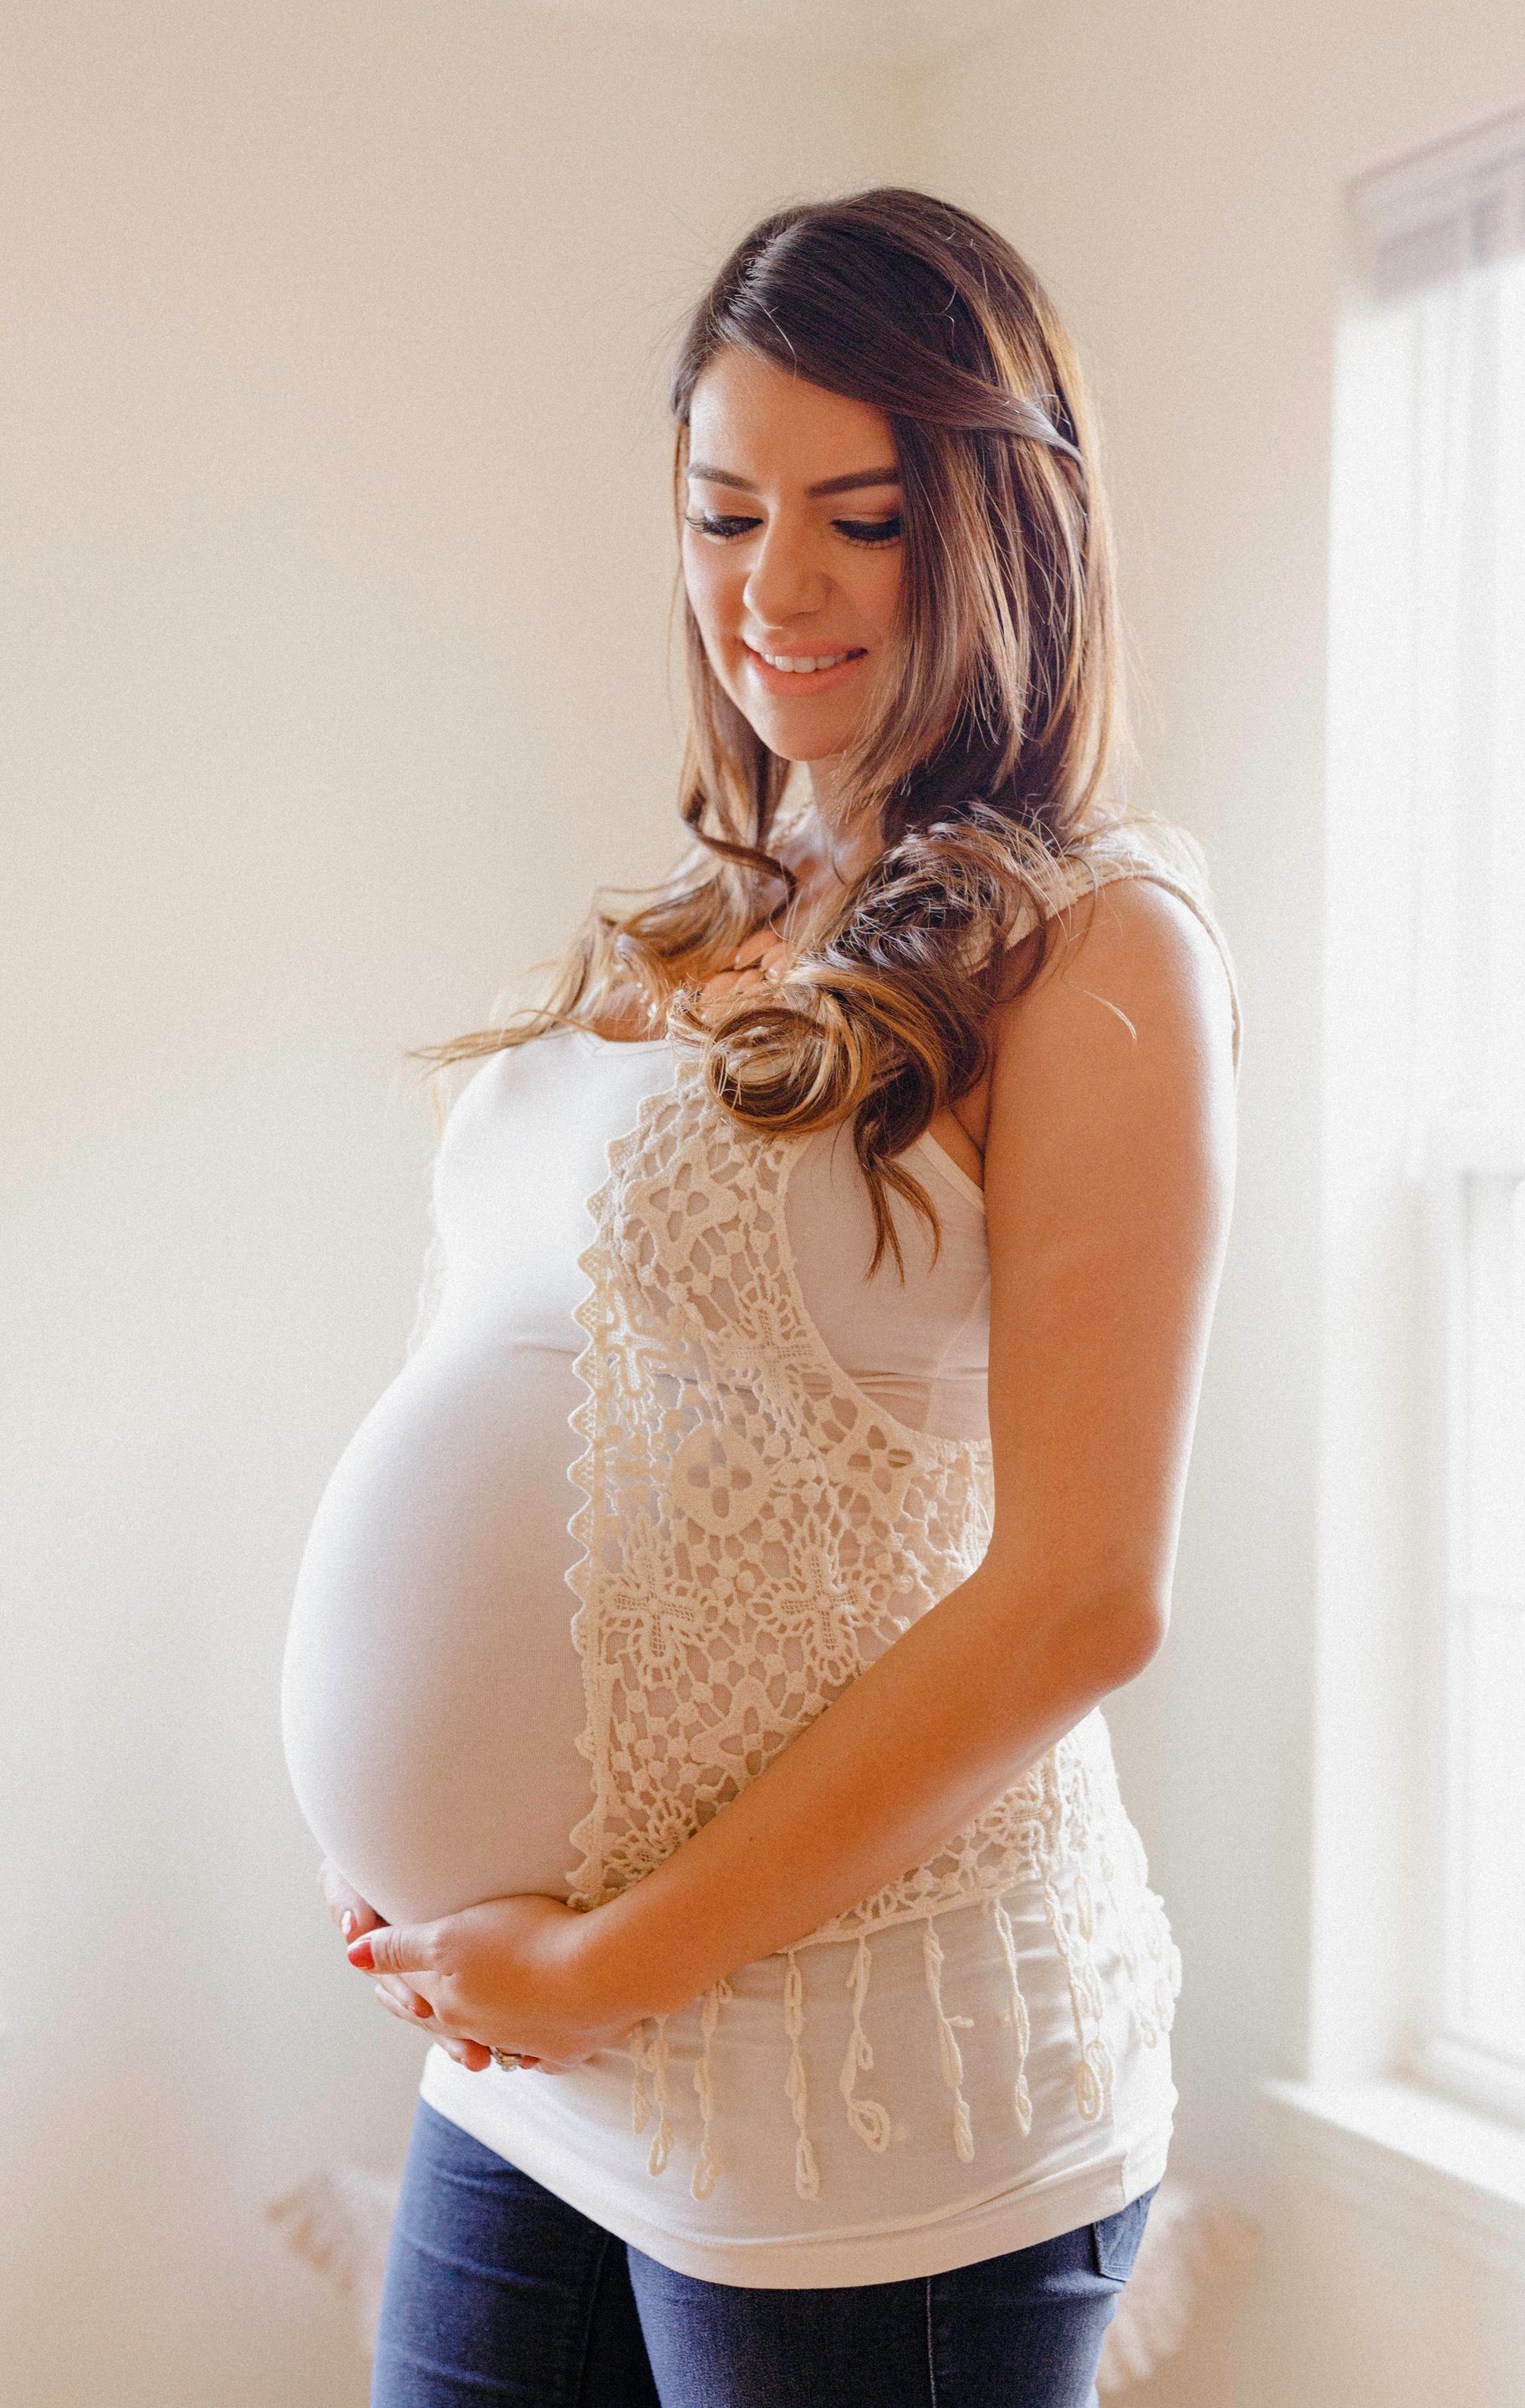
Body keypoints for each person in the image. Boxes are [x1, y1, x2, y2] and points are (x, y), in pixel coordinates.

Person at [280, 185, 1242, 2408]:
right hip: (527, 2069)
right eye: (724, 513)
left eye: (861, 516)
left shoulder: (1098, 946)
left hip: (863, 2084)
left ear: (1001, 526)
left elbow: (1088, 1597)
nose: (774, 589)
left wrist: (609, 1956)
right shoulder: (702, 930)